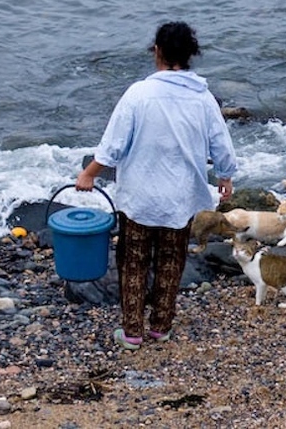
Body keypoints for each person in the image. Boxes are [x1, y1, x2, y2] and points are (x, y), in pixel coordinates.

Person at [76, 21, 238, 350]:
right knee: (171, 259)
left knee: (133, 261)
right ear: (190, 55)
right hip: (180, 197)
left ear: (158, 51)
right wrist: (225, 176)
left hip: (140, 196)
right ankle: (161, 326)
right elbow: (221, 144)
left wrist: (89, 174)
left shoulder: (139, 94)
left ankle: (132, 331)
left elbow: (113, 146)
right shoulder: (203, 98)